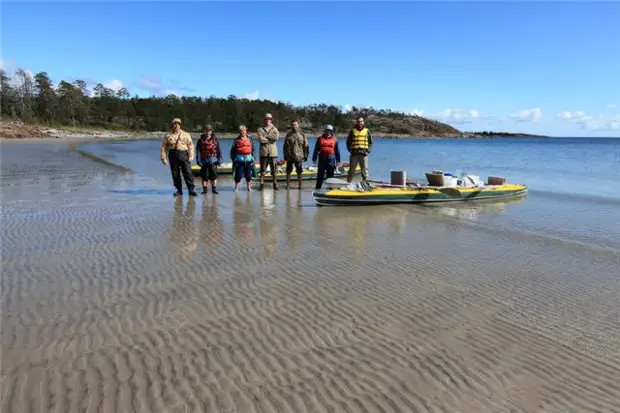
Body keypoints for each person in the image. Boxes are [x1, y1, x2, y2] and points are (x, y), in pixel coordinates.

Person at [160, 118, 197, 196]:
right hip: (173, 155)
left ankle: (191, 190)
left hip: (184, 154)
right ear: (172, 125)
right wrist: (164, 158)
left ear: (180, 125)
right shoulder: (168, 136)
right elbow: (164, 147)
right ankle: (179, 190)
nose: (176, 125)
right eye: (175, 124)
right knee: (175, 174)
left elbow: (191, 146)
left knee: (188, 173)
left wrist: (191, 156)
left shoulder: (186, 134)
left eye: (178, 124)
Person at [312, 125, 341, 190]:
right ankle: (317, 189)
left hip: (331, 159)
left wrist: (338, 161)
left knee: (330, 176)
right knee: (320, 176)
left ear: (331, 131)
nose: (328, 132)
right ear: (325, 131)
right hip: (322, 158)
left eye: (329, 131)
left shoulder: (334, 139)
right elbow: (316, 149)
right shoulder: (320, 138)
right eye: (327, 130)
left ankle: (330, 190)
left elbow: (337, 151)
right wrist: (314, 158)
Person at [195, 125, 222, 194]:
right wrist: (198, 161)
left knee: (214, 176)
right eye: (206, 130)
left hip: (213, 161)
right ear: (204, 131)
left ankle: (214, 189)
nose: (208, 132)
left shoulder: (215, 139)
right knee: (204, 177)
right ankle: (204, 190)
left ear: (211, 131)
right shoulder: (200, 141)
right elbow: (198, 151)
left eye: (209, 130)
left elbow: (218, 150)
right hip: (204, 161)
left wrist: (219, 160)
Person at [283, 120, 309, 189]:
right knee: (288, 171)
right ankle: (288, 185)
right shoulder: (288, 134)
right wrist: (285, 155)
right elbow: (285, 146)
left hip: (299, 156)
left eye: (295, 125)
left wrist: (306, 155)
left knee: (299, 171)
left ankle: (300, 186)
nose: (294, 126)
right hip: (289, 156)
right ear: (291, 126)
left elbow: (306, 146)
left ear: (298, 125)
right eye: (293, 125)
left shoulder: (302, 134)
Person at [256, 113, 279, 191]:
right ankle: (261, 185)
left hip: (273, 153)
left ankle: (275, 184)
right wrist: (270, 140)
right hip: (264, 152)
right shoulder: (260, 129)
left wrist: (266, 136)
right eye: (266, 119)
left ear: (271, 120)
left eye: (269, 119)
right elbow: (260, 139)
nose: (268, 120)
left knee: (274, 171)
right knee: (262, 171)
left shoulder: (275, 129)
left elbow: (276, 138)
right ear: (264, 119)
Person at [346, 116, 373, 183]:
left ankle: (365, 184)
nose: (360, 123)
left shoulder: (367, 131)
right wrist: (350, 150)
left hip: (363, 154)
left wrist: (368, 151)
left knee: (364, 171)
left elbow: (371, 143)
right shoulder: (352, 131)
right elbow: (348, 143)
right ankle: (348, 184)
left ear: (363, 122)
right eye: (359, 121)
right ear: (357, 122)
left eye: (361, 121)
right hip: (354, 154)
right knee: (351, 171)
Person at [230, 125, 255, 192]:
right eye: (241, 130)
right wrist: (234, 158)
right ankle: (236, 188)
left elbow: (253, 149)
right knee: (238, 175)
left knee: (248, 175)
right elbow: (232, 151)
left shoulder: (250, 139)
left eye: (244, 130)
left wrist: (253, 157)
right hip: (239, 160)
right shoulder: (236, 140)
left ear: (246, 131)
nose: (243, 132)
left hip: (248, 159)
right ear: (239, 131)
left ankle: (249, 188)